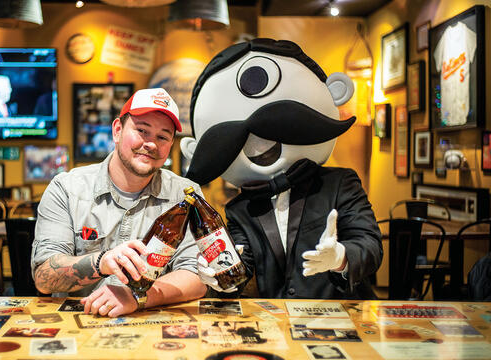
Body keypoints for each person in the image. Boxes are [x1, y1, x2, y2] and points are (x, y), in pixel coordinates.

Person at [180, 39, 382, 299]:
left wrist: (341, 257)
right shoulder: (240, 208)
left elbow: (371, 246)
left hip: (341, 316)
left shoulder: (340, 183)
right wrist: (219, 278)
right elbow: (242, 270)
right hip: (280, 324)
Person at [31, 88, 207, 318]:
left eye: (162, 137)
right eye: (142, 130)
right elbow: (44, 276)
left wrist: (137, 297)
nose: (151, 144)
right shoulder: (66, 188)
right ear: (117, 131)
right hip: (77, 327)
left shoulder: (186, 195)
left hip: (155, 330)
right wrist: (101, 262)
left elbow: (195, 276)